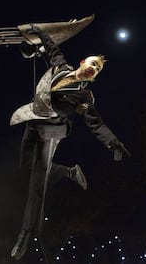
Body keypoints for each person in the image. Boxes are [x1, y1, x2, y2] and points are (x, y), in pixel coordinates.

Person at [9, 25, 130, 260]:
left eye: (98, 69)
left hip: (51, 132)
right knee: (26, 167)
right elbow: (51, 46)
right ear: (83, 62)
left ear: (94, 76)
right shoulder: (61, 66)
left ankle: (25, 233)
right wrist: (37, 30)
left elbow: (95, 123)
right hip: (33, 122)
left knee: (38, 183)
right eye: (93, 63)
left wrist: (113, 143)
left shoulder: (85, 96)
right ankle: (69, 172)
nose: (94, 68)